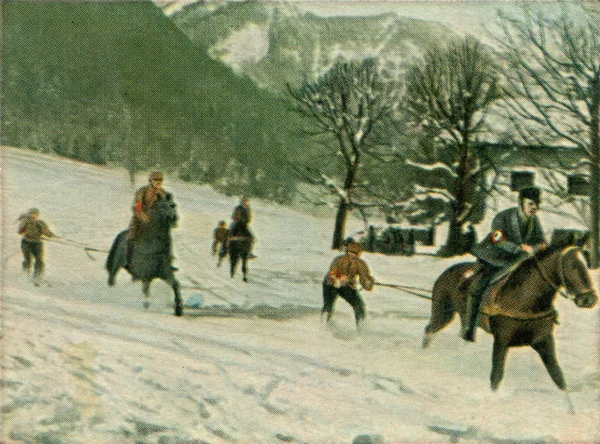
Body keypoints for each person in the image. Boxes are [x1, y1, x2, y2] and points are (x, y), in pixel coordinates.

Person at [464, 186, 548, 342]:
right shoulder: (503, 217)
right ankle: (469, 328)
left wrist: (536, 247)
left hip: (516, 260)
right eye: (530, 204)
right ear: (521, 202)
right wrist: (517, 248)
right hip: (495, 257)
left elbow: (541, 240)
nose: (534, 209)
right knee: (480, 288)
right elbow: (497, 239)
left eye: (536, 205)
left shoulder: (534, 220)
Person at [322, 241, 376, 329]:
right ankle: (324, 326)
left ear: (359, 254)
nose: (353, 256)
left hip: (347, 287)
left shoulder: (361, 264)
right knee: (328, 306)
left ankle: (361, 329)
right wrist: (339, 277)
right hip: (330, 285)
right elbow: (332, 273)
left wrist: (368, 283)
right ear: (348, 252)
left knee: (359, 305)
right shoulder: (339, 260)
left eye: (356, 254)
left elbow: (364, 279)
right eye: (351, 253)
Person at [127, 172, 169, 267]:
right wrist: (145, 218)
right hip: (141, 220)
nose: (158, 183)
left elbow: (167, 208)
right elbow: (137, 207)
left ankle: (166, 261)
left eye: (160, 181)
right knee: (133, 236)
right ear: (151, 181)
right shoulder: (142, 191)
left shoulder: (164, 193)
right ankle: (129, 260)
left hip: (157, 223)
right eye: (156, 180)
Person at [17, 208, 57, 285]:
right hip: (27, 243)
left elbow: (47, 232)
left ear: (37, 215)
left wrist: (53, 236)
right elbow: (20, 231)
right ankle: (25, 277)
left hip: (37, 244)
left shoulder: (40, 223)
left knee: (39, 261)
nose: (33, 216)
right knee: (28, 260)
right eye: (31, 215)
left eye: (34, 215)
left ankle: (37, 277)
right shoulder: (25, 222)